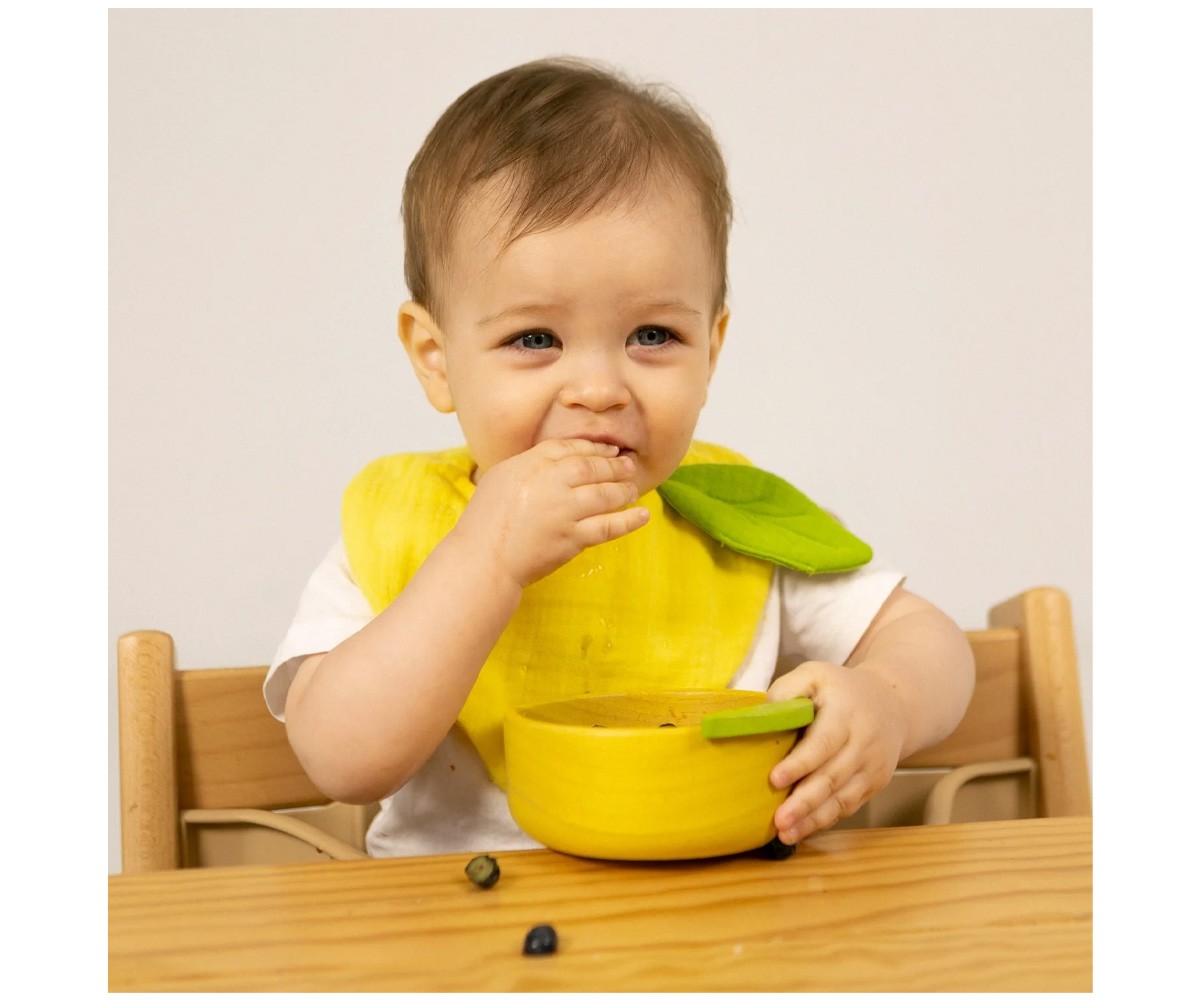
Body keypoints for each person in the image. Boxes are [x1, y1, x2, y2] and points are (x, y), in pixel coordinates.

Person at [264, 56, 975, 858]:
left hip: (721, 933)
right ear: (435, 358)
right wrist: (483, 561)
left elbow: (933, 643)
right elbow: (340, 759)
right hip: (461, 938)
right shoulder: (403, 526)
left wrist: (884, 699)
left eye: (653, 336)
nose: (599, 388)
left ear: (711, 347)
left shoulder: (730, 519)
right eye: (535, 339)